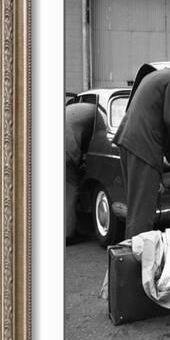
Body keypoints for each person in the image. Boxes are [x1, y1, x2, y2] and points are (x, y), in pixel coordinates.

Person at [113, 53, 170, 238]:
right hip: (143, 147)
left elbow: (160, 118)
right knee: (143, 212)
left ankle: (131, 257)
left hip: (129, 142)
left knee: (136, 207)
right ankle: (136, 261)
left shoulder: (157, 76)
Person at [65, 102, 96, 242]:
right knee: (71, 191)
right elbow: (91, 136)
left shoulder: (81, 109)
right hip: (66, 149)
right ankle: (68, 235)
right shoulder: (96, 113)